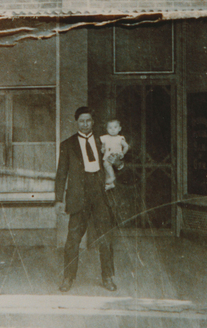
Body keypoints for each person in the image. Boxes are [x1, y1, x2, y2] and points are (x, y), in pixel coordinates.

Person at [54, 107, 116, 293]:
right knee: (73, 239)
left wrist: (118, 160)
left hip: (99, 194)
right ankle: (68, 277)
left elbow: (115, 163)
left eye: (88, 120)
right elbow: (61, 174)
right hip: (78, 195)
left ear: (93, 122)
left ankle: (107, 277)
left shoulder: (102, 141)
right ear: (76, 122)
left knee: (105, 237)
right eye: (82, 121)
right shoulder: (67, 144)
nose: (85, 124)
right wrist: (58, 199)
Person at [100, 119, 129, 190]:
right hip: (107, 155)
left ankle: (113, 177)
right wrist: (102, 149)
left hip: (116, 156)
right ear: (107, 129)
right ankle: (110, 184)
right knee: (107, 171)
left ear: (119, 128)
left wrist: (123, 153)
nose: (113, 130)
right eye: (110, 128)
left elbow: (126, 146)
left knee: (106, 164)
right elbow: (103, 146)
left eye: (115, 127)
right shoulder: (105, 137)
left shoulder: (119, 138)